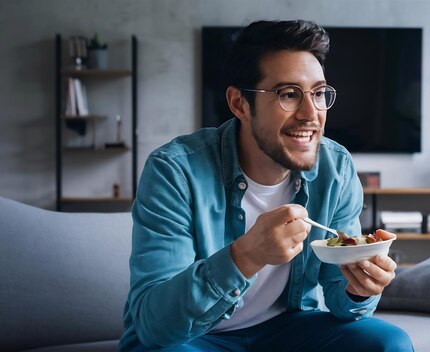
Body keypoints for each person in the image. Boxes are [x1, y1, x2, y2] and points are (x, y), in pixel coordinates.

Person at [120, 19, 413, 352]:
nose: (310, 114)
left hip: (286, 330)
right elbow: (154, 326)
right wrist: (246, 255)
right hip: (194, 338)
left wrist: (360, 288)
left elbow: (340, 300)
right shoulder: (175, 170)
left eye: (318, 94)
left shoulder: (336, 167)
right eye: (288, 94)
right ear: (239, 104)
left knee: (388, 343)